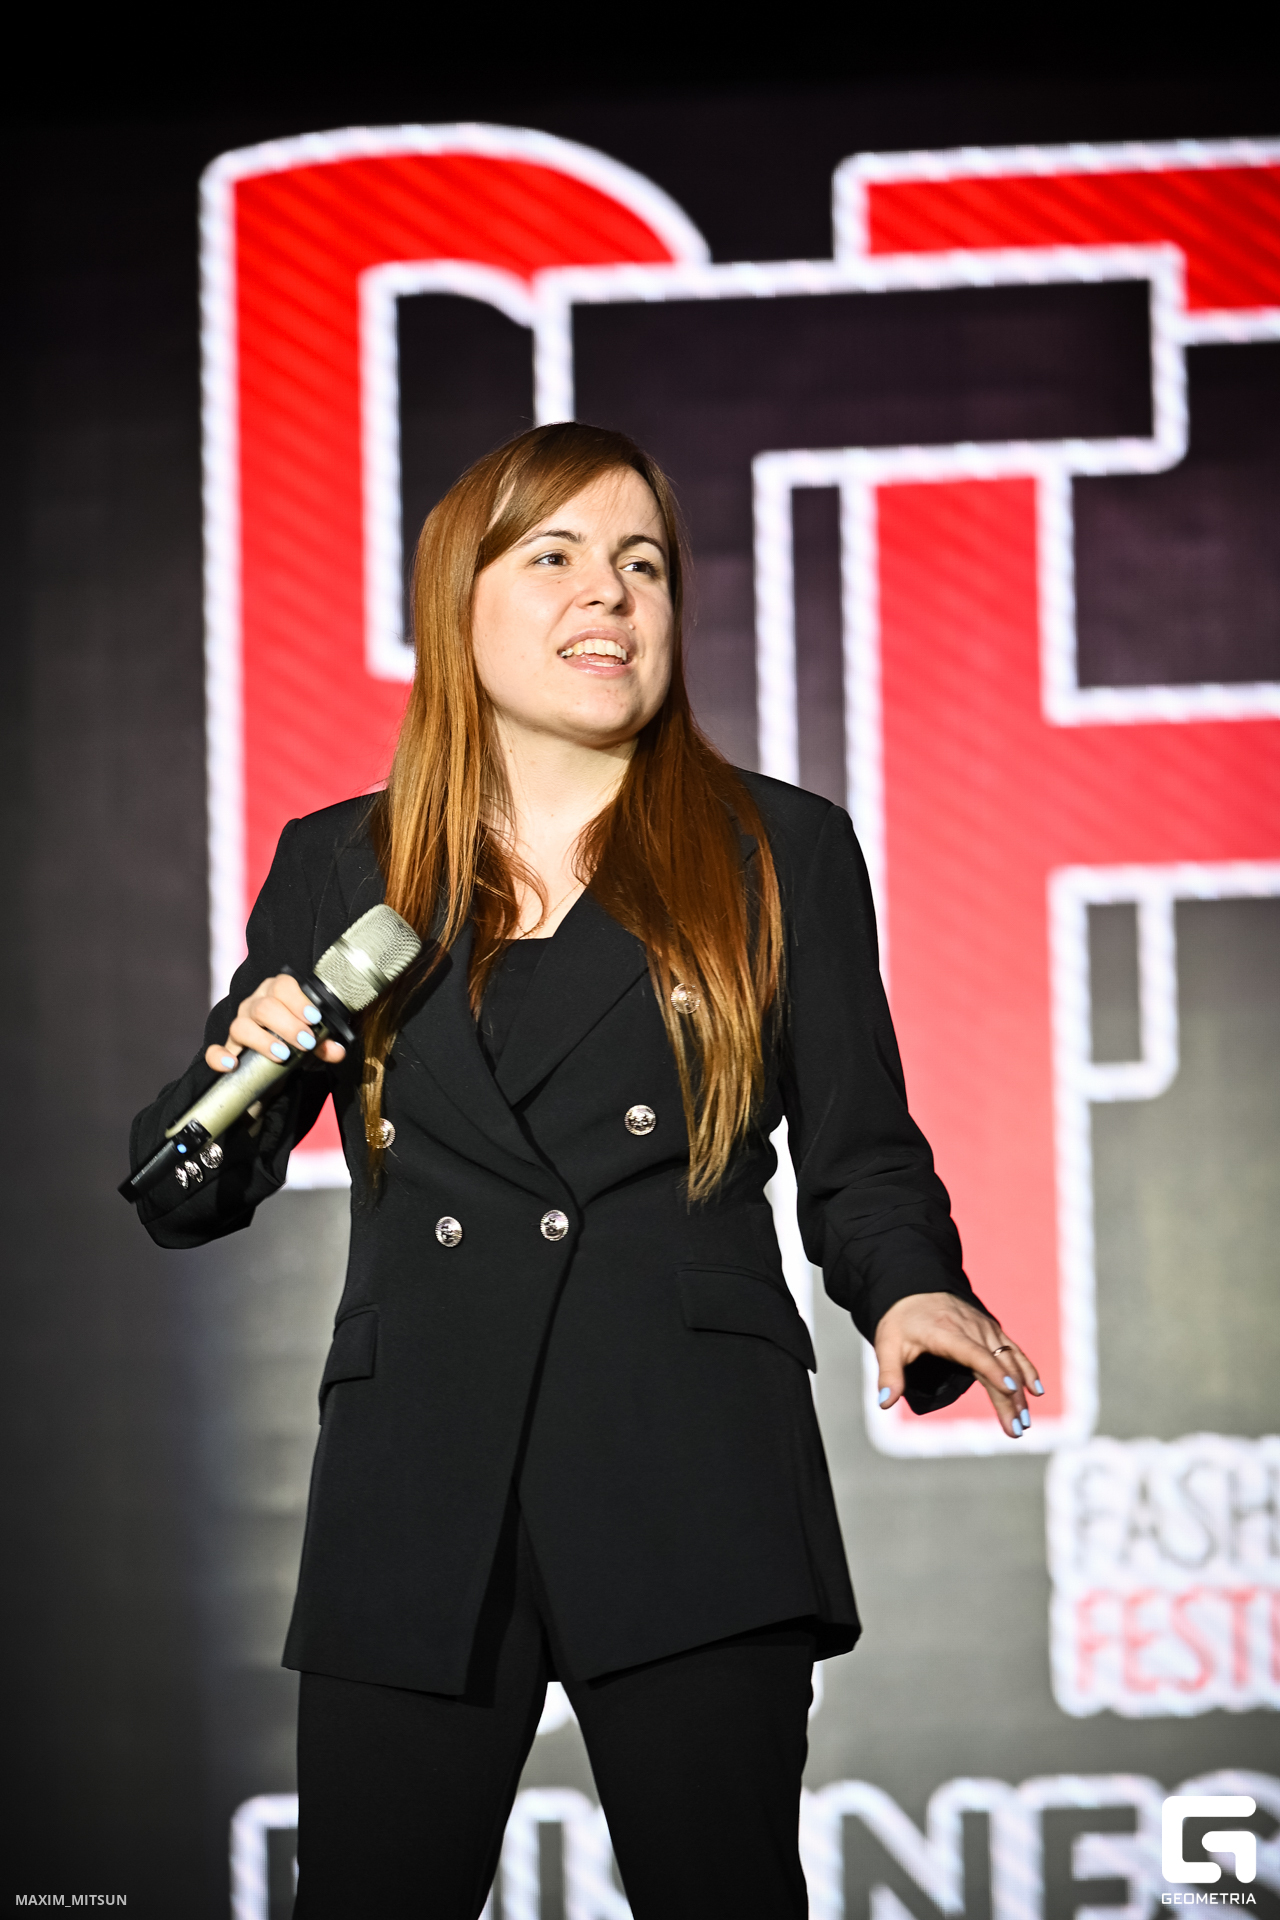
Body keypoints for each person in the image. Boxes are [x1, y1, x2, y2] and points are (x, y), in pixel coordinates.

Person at [129, 422, 1041, 1918]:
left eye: (642, 565)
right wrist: (254, 1066)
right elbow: (183, 1194)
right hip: (421, 1473)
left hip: (688, 1454)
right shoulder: (343, 867)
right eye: (552, 556)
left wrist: (912, 1289)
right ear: (459, 604)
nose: (608, 594)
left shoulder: (778, 850)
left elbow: (863, 1154)